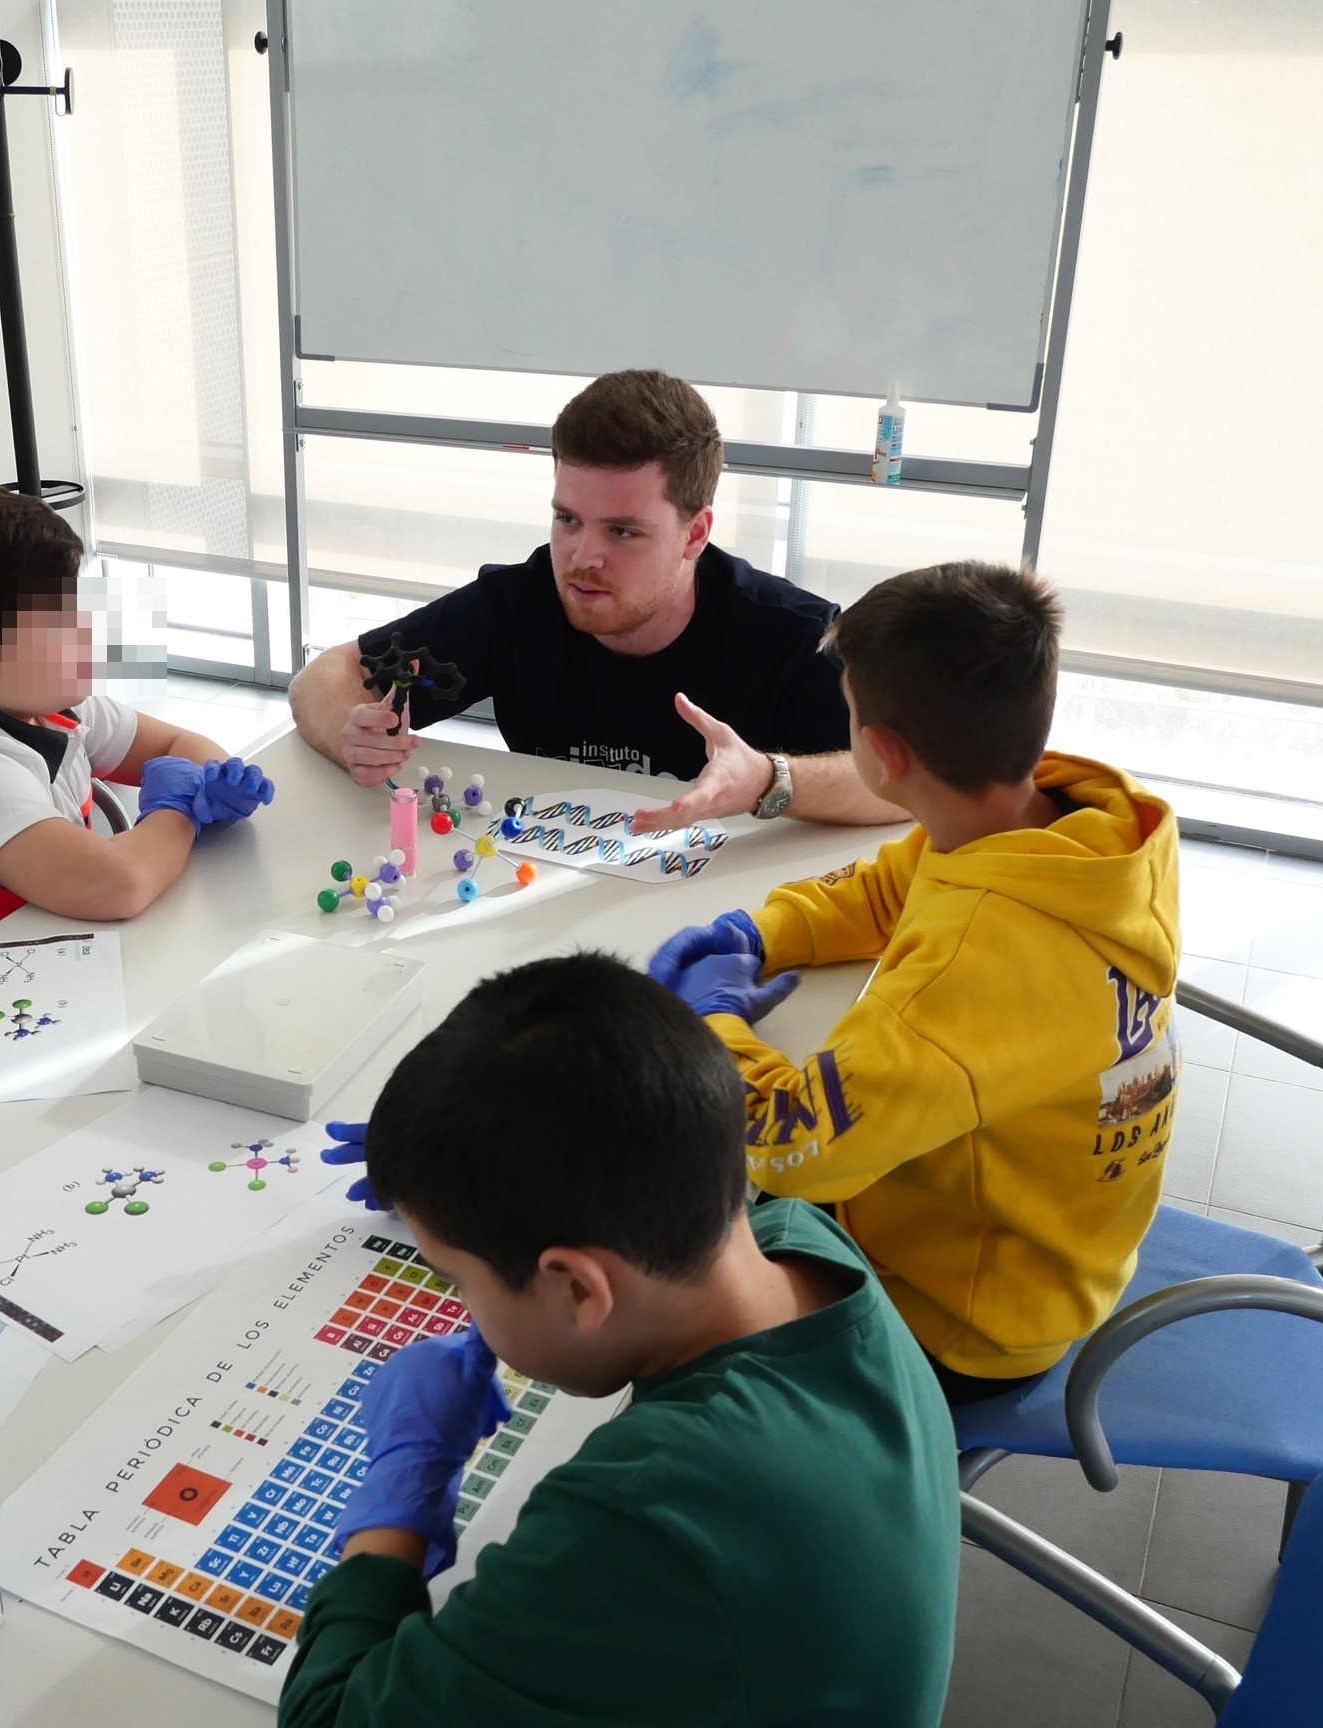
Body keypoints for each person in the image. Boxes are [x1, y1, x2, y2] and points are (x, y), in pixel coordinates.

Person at [285, 955, 958, 1727]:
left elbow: (327, 1719)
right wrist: (469, 1169)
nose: (460, 1303)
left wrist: (400, 1489)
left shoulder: (641, 1511)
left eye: (456, 1279)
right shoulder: (805, 1245)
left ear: (577, 1288)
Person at [650, 562, 1182, 1405]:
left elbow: (791, 1146)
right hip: (1053, 1236)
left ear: (883, 756)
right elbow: (892, 887)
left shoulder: (969, 976)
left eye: (851, 715)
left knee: (667, 1311)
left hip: (966, 1319)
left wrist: (710, 1021)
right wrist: (761, 934)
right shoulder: (1059, 829)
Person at [286, 369, 908, 833]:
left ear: (695, 533)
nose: (583, 556)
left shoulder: (792, 636)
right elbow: (324, 677)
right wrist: (351, 732)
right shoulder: (518, 603)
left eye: (623, 531)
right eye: (567, 519)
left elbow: (913, 779)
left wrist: (771, 782)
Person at [0, 478, 274, 937]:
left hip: (27, 955)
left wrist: (216, 780)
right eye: (58, 623)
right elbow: (120, 887)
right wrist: (180, 807)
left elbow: (176, 743)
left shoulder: (36, 700)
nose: (88, 632)